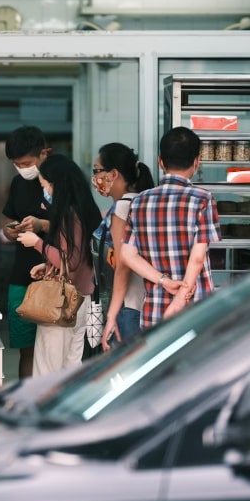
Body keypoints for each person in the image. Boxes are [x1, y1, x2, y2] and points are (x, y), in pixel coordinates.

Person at [121, 126, 222, 329]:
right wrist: (179, 301)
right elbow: (198, 257)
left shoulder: (139, 202)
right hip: (196, 310)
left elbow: (128, 255)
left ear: (160, 161)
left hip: (155, 311)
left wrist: (164, 281)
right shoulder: (202, 199)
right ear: (197, 161)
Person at [16, 153, 102, 376]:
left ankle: (44, 410)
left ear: (56, 185)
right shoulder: (85, 209)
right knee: (71, 369)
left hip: (61, 304)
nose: (44, 191)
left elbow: (69, 260)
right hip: (80, 300)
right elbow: (79, 257)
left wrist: (36, 243)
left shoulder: (68, 215)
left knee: (48, 371)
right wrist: (48, 266)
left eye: (45, 185)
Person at [90, 142, 155, 350]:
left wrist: (112, 313)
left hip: (126, 306)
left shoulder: (123, 207)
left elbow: (122, 264)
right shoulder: (134, 202)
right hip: (131, 304)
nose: (96, 178)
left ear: (113, 174)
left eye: (97, 171)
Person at [1, 125, 50, 378]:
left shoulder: (61, 182)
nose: (22, 168)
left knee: (53, 351)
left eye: (26, 162)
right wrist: (9, 230)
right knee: (26, 348)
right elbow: (9, 219)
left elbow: (76, 226)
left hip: (55, 278)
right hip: (22, 276)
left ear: (44, 154)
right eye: (17, 164)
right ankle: (25, 400)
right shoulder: (18, 184)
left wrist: (43, 225)